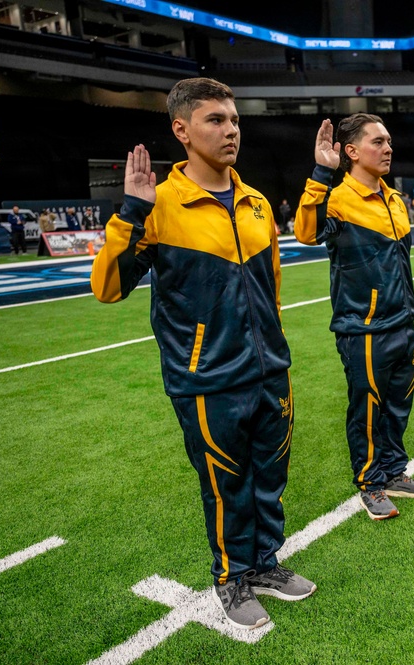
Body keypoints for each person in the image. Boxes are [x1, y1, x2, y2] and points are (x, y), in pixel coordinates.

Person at [90, 78, 315, 631]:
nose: (231, 130)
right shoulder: (159, 204)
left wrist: (276, 352)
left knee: (270, 475)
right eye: (216, 120)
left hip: (269, 370)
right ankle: (231, 578)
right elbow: (107, 288)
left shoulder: (257, 202)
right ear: (182, 130)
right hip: (207, 378)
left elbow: (273, 292)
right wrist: (130, 214)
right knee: (224, 486)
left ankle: (265, 564)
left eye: (234, 120)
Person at [295, 114, 414, 520]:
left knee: (398, 406)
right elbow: (306, 232)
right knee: (367, 409)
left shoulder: (394, 198)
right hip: (363, 327)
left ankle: (394, 472)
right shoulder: (337, 199)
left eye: (389, 140)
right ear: (351, 151)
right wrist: (322, 172)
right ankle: (370, 483)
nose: (388, 148)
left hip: (402, 321)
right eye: (377, 142)